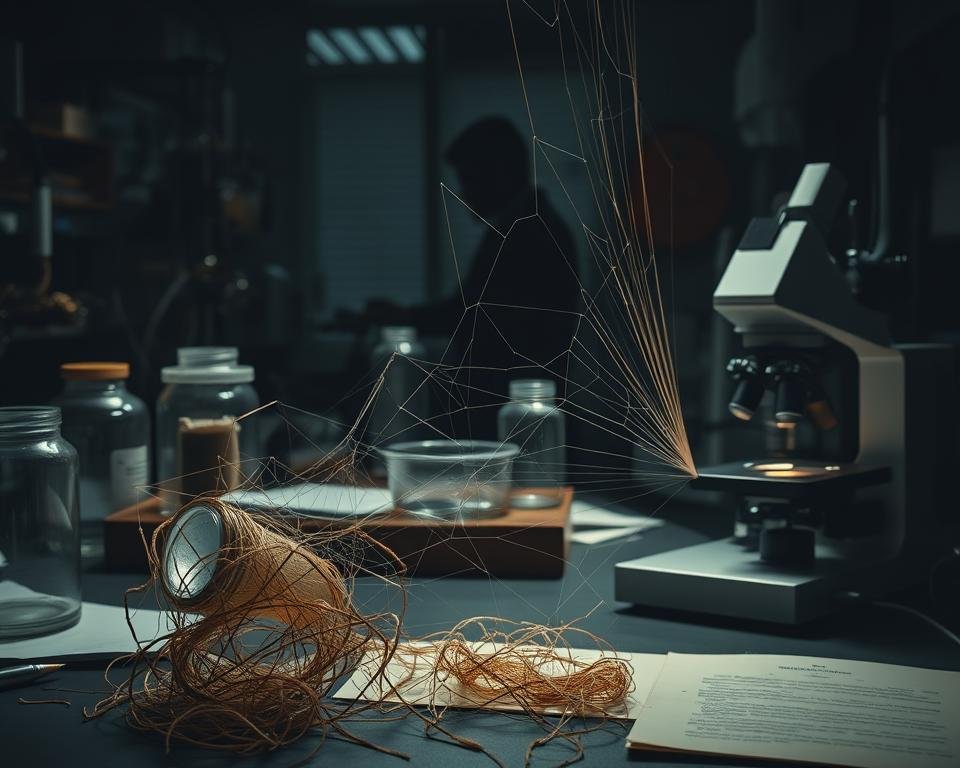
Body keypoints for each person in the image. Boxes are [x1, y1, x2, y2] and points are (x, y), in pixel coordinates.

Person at [364, 116, 581, 437]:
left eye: (469, 179)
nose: (463, 193)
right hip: (508, 412)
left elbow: (476, 317)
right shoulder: (522, 227)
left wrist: (407, 317)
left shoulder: (530, 234)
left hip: (513, 419)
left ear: (499, 174)